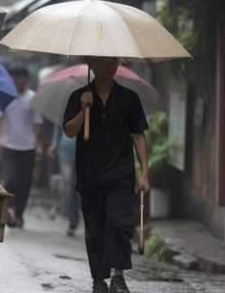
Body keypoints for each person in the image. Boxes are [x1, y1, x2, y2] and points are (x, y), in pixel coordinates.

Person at [63, 57, 150, 293]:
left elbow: (139, 135)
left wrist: (144, 173)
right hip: (89, 174)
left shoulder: (129, 98)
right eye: (105, 62)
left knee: (119, 223)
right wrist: (83, 110)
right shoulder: (78, 96)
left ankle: (118, 277)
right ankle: (98, 280)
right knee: (95, 228)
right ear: (92, 64)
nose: (110, 67)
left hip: (121, 174)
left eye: (114, 62)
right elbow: (70, 131)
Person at [0, 67, 43, 228]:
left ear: (26, 80)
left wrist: (39, 144)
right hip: (8, 145)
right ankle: (10, 210)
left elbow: (37, 124)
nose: (19, 82)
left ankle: (19, 214)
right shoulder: (5, 96)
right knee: (10, 179)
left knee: (25, 183)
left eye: (22, 79)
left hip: (28, 146)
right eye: (15, 79)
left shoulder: (33, 98)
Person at [48, 127, 79, 236]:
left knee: (79, 187)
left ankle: (79, 215)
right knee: (68, 186)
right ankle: (72, 220)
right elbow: (59, 125)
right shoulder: (66, 109)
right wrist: (54, 143)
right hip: (65, 150)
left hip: (85, 152)